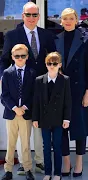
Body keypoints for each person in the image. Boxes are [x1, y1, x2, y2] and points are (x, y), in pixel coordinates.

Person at [0, 2, 56, 174]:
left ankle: (39, 162)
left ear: (39, 16)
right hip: (20, 88)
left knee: (39, 127)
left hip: (42, 87)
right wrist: (3, 77)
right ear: (23, 16)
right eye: (28, 15)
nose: (31, 18)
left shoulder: (46, 34)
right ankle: (25, 164)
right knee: (21, 126)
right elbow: (4, 59)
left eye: (34, 15)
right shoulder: (12, 34)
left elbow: (53, 57)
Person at [54, 8, 88, 177]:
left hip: (79, 90)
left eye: (71, 18)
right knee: (61, 128)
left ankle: (79, 162)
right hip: (60, 90)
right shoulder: (55, 39)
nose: (68, 21)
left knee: (80, 128)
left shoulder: (85, 39)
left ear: (77, 19)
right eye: (65, 18)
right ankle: (66, 162)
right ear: (61, 21)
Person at [32, 52, 72, 180]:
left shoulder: (65, 80)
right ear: (46, 64)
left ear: (59, 64)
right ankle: (48, 173)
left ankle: (57, 173)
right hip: (44, 119)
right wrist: (35, 118)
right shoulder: (39, 80)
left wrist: (67, 119)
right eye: (49, 63)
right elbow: (36, 101)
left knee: (57, 145)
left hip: (59, 119)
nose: (52, 66)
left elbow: (68, 101)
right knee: (46, 147)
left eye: (55, 63)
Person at [1, 44, 36, 180]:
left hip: (26, 113)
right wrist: (15, 108)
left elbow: (34, 94)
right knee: (11, 143)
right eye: (17, 56)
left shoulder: (32, 73)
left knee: (26, 143)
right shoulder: (7, 73)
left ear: (27, 57)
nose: (20, 58)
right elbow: (4, 95)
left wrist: (24, 108)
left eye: (22, 56)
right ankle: (8, 170)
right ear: (12, 57)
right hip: (12, 113)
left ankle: (27, 169)